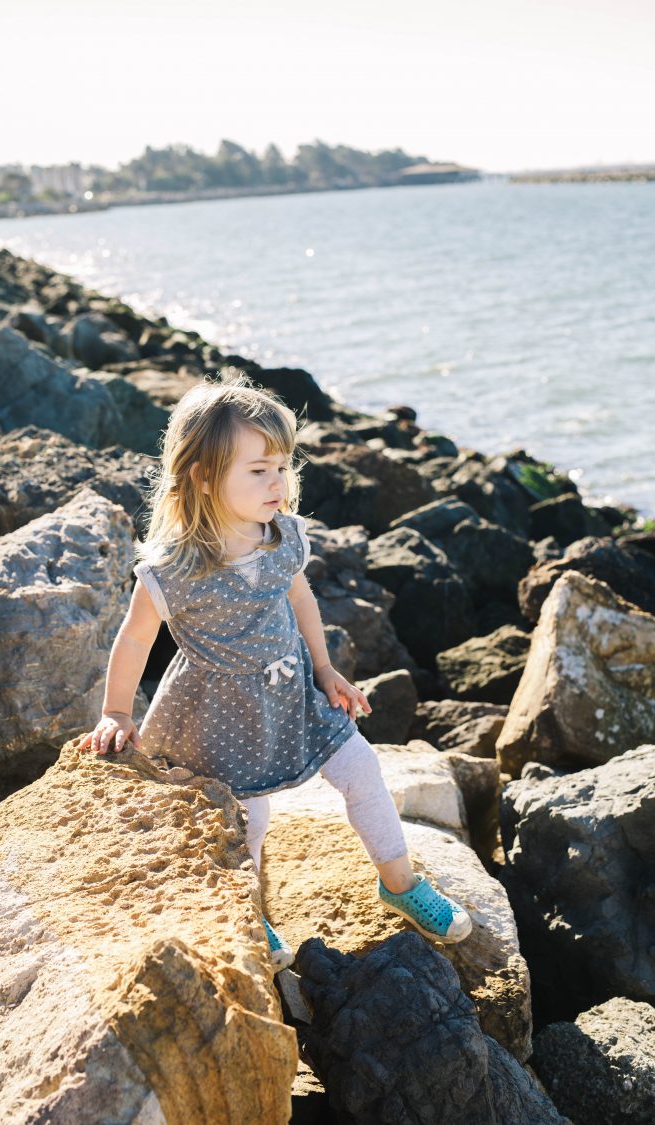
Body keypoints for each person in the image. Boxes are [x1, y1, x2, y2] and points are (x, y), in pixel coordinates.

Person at [79, 372, 472, 971]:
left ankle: (399, 883)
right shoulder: (176, 568)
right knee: (250, 819)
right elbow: (135, 638)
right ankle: (250, 910)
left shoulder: (281, 535)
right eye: (258, 469)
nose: (278, 482)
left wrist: (324, 667)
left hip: (294, 691)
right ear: (204, 475)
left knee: (363, 768)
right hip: (221, 713)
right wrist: (116, 711)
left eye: (283, 465)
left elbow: (302, 599)